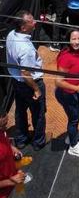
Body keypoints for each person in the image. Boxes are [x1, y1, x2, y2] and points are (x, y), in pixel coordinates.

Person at [6, 11, 46, 151]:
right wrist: (36, 88)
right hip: (29, 83)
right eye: (31, 21)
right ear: (23, 28)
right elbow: (25, 73)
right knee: (39, 113)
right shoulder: (25, 49)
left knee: (20, 111)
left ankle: (21, 139)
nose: (35, 22)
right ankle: (38, 142)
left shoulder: (11, 34)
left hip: (16, 82)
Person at [55, 28, 79, 157]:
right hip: (67, 93)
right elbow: (58, 82)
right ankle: (73, 145)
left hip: (76, 90)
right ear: (68, 40)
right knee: (73, 119)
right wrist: (78, 88)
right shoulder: (65, 57)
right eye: (73, 39)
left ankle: (72, 134)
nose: (76, 42)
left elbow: (78, 71)